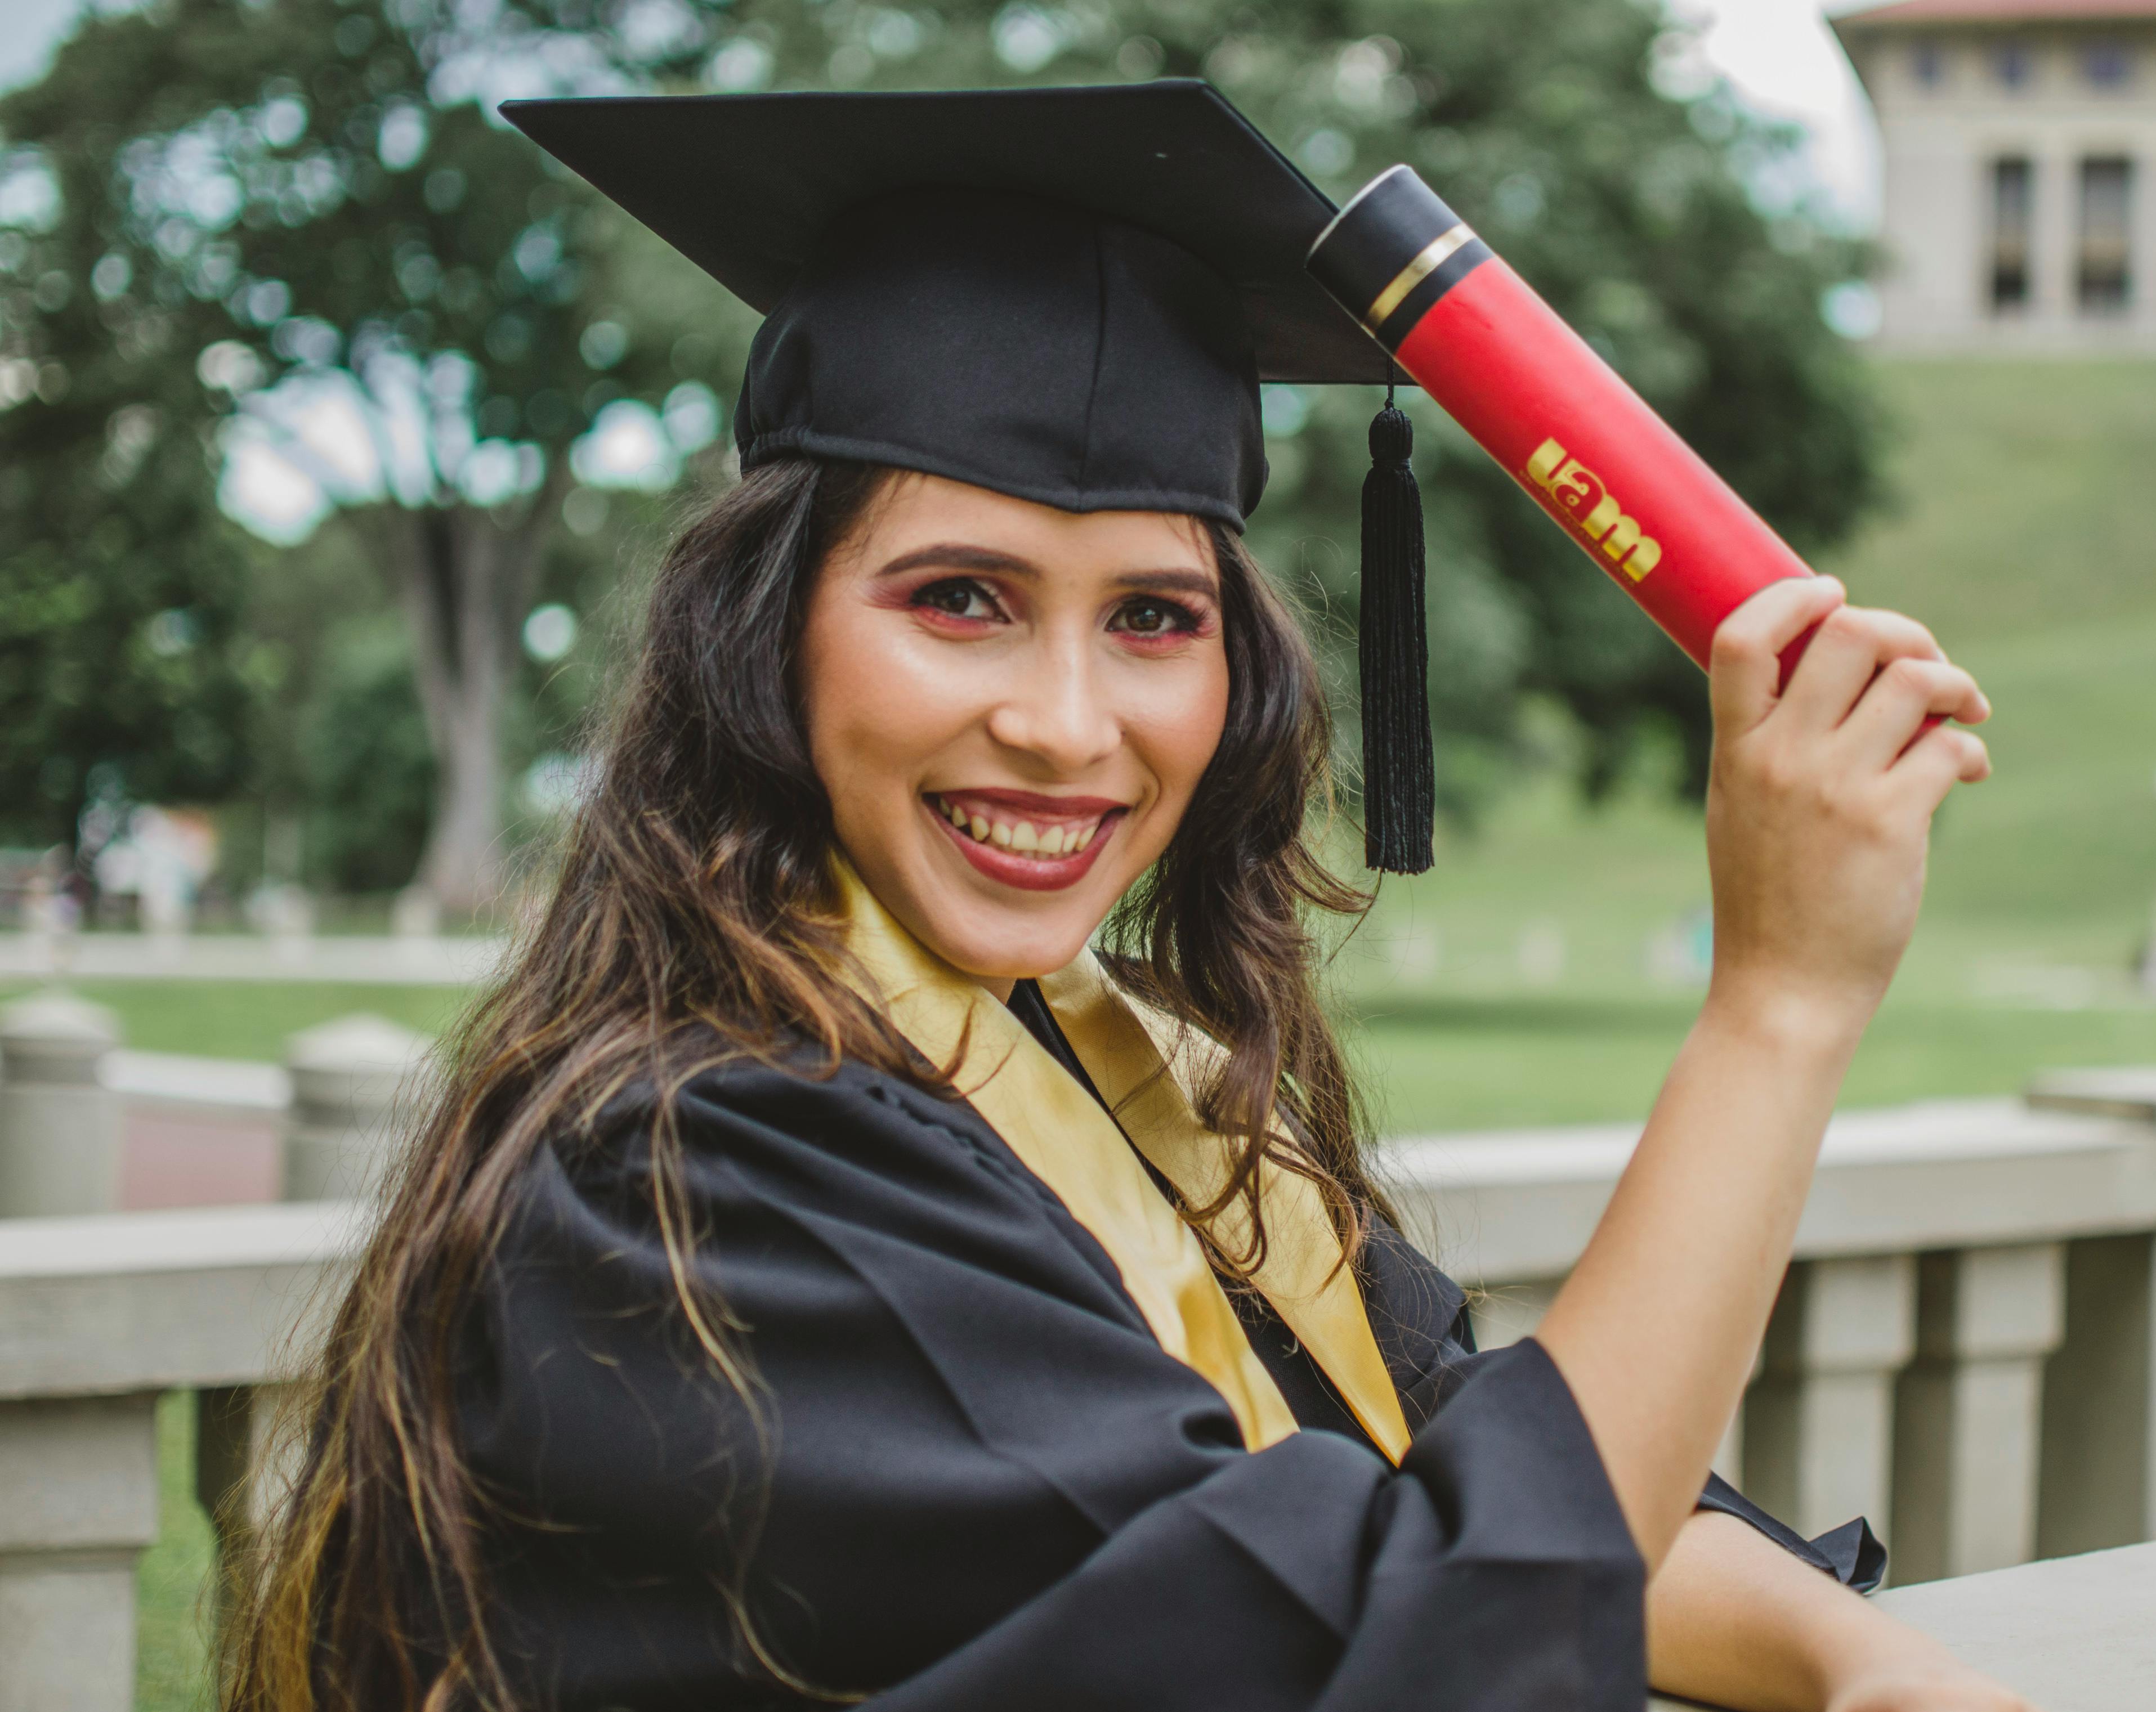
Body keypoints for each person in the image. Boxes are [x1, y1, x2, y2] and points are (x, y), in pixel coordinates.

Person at [221, 83, 2025, 1712]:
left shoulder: (1103, 1067)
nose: (1066, 725)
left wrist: (1856, 1655)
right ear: (763, 637)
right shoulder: (708, 1175)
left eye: (1153, 617)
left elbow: (1455, 1455)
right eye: (959, 597)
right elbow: (1402, 1635)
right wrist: (1777, 1004)